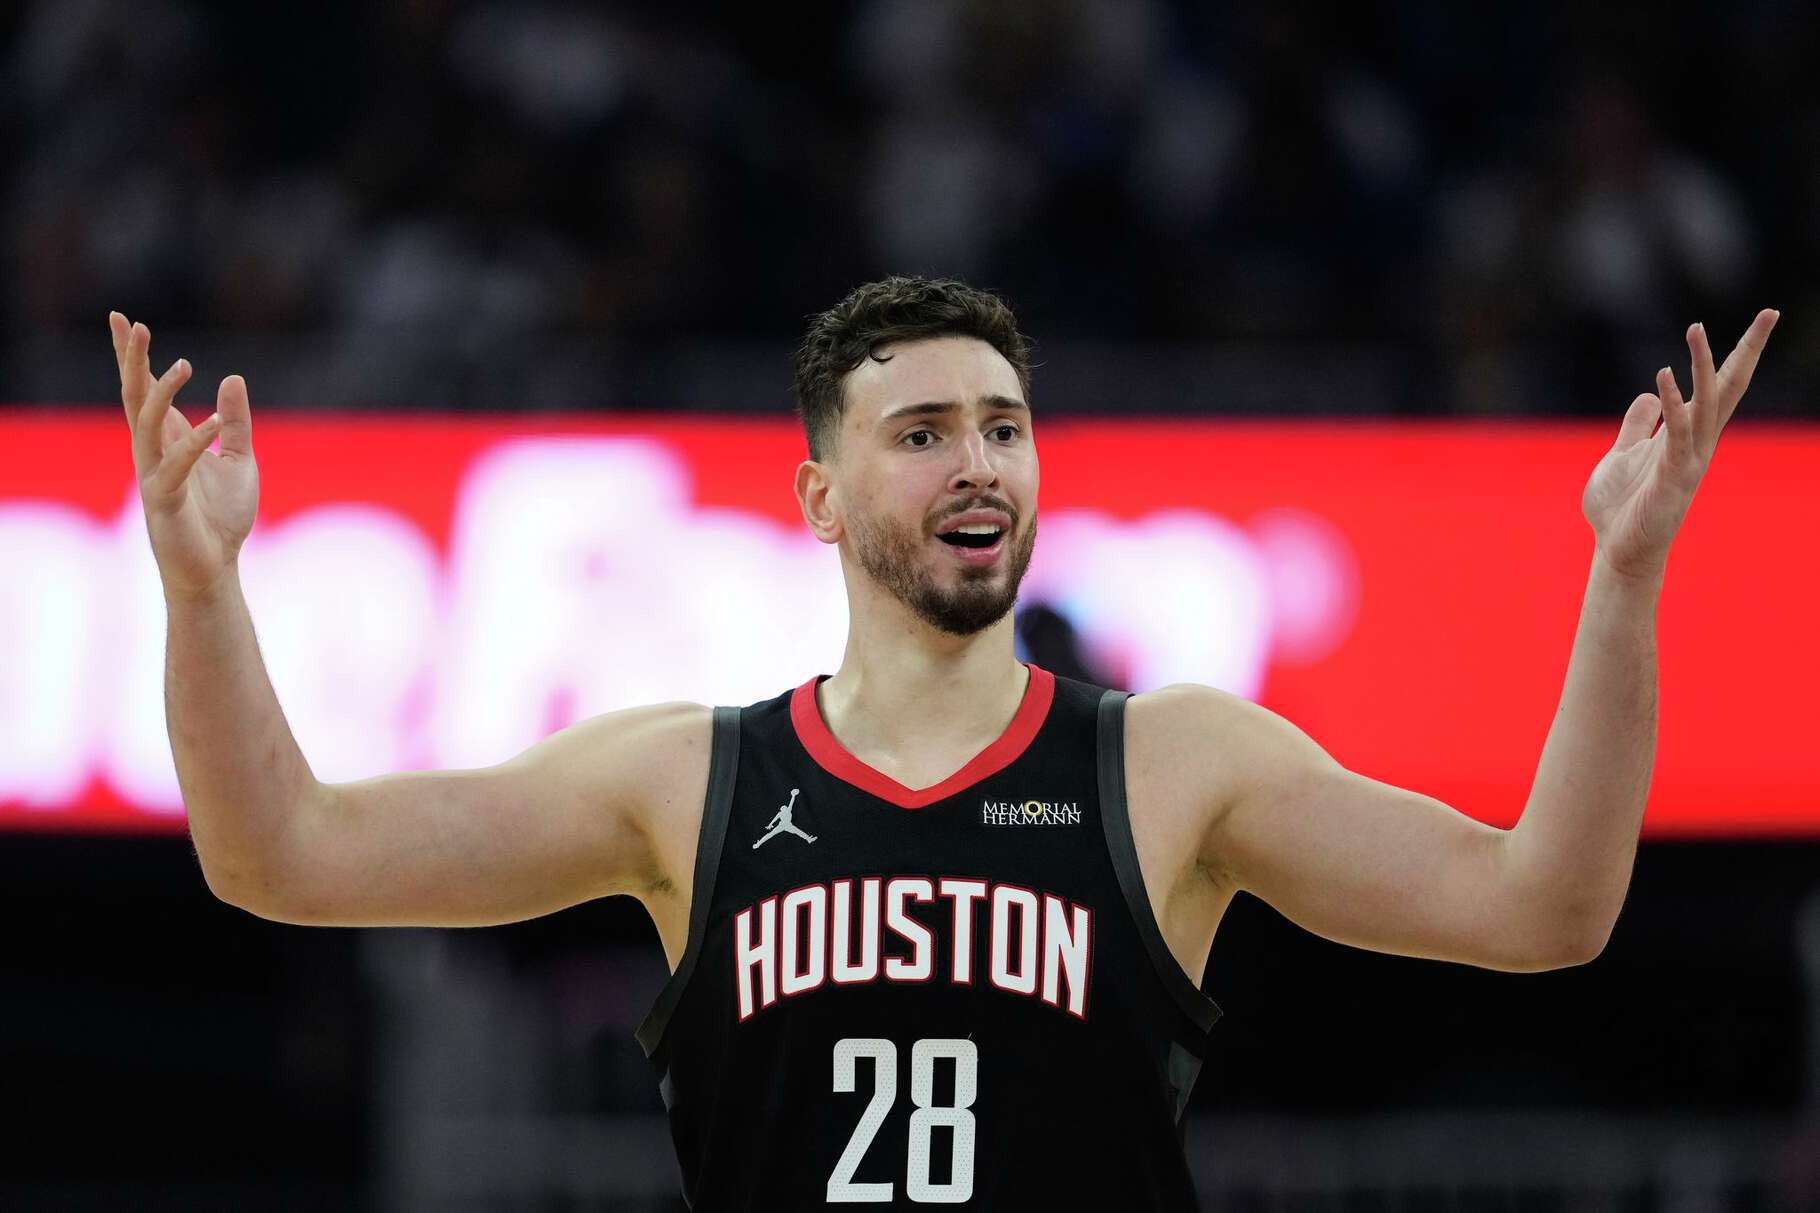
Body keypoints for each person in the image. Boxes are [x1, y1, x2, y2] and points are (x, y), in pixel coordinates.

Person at [108, 277, 1778, 1209]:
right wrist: (199, 587)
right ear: (822, 498)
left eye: (1003, 426)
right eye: (923, 434)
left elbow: (1542, 908)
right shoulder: (682, 778)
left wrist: (1624, 580)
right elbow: (283, 859)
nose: (979, 462)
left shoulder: (1175, 761)